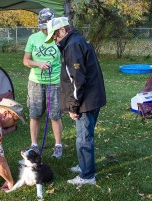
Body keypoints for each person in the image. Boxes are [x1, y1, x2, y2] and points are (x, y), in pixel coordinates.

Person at [45, 17, 106, 185]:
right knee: (86, 135)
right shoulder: (79, 40)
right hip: (93, 97)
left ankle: (88, 176)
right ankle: (84, 165)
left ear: (63, 30)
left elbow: (77, 79)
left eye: (55, 36)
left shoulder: (72, 46)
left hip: (85, 102)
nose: (55, 41)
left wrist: (73, 106)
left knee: (83, 138)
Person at [23, 8, 63, 158]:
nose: (46, 30)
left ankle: (58, 145)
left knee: (55, 115)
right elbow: (26, 60)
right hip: (36, 82)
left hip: (55, 82)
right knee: (35, 114)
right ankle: (34, 144)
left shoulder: (59, 38)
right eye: (43, 27)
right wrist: (38, 63)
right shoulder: (33, 38)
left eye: (48, 26)